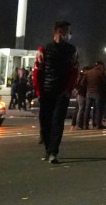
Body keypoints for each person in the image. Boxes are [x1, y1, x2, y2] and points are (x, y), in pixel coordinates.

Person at [32, 21, 80, 163]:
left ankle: (53, 152)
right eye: (67, 31)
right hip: (46, 92)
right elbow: (37, 72)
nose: (69, 34)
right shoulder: (44, 50)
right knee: (45, 122)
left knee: (57, 122)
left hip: (61, 92)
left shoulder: (72, 51)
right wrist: (39, 92)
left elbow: (74, 72)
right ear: (59, 31)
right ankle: (48, 150)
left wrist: (68, 90)